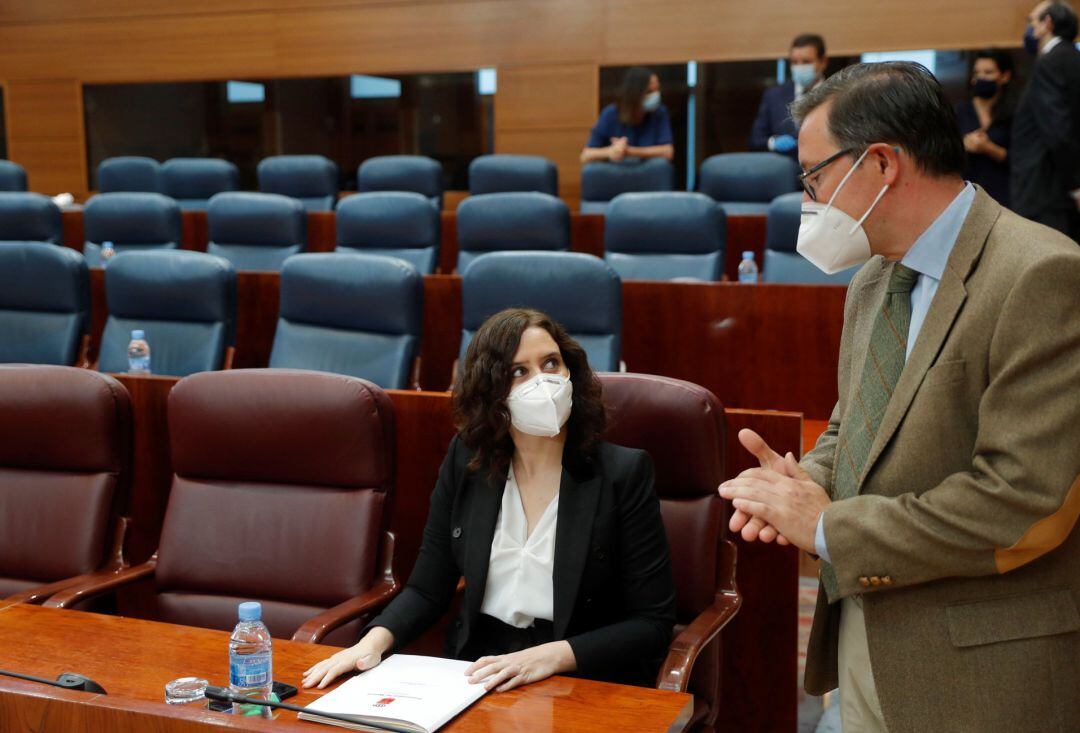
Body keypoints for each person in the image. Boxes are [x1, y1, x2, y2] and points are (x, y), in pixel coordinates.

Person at [719, 61, 1080, 732]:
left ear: (880, 163)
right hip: (863, 632)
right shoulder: (872, 279)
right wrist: (799, 485)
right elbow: (854, 426)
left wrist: (826, 527)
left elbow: (1026, 502)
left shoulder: (1041, 274)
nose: (809, 199)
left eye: (815, 177)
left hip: (978, 671)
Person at [303, 308, 676, 692]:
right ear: (492, 392)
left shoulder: (623, 472)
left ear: (571, 373)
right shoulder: (468, 460)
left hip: (580, 674)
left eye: (551, 363)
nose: (543, 382)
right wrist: (369, 645)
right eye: (519, 372)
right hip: (478, 667)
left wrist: (552, 656)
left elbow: (652, 624)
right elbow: (428, 589)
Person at [1011, 0, 1080, 241]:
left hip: (1044, 190)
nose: (1029, 29)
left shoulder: (1049, 62)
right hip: (1057, 190)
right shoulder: (1072, 58)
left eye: (1032, 21)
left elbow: (1057, 130)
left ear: (1047, 23)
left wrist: (1075, 185)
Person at [749, 33, 829, 158]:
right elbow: (755, 141)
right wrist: (773, 143)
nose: (799, 67)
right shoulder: (773, 95)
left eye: (806, 62)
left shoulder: (837, 95)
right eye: (794, 62)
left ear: (823, 62)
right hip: (783, 170)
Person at [955, 49, 1014, 206]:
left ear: (1005, 76)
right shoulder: (960, 111)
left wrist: (988, 148)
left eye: (988, 72)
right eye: (977, 73)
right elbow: (944, 154)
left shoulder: (1014, 113)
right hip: (968, 198)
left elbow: (1023, 159)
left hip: (1005, 198)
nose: (981, 77)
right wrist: (964, 145)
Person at [580, 67, 674, 164]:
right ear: (635, 92)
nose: (655, 96)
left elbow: (668, 152)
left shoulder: (660, 113)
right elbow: (586, 155)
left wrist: (628, 151)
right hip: (616, 172)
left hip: (648, 172)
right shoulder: (610, 114)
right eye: (649, 92)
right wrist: (611, 151)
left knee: (660, 165)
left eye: (657, 90)